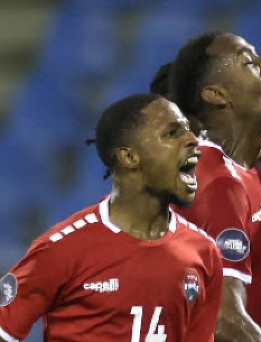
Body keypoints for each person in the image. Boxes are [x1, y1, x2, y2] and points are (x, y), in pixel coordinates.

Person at [0, 94, 223, 342]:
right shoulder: (61, 249)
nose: (193, 140)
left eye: (190, 131)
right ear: (129, 158)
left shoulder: (205, 253)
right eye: (172, 133)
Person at [161, 31, 261, 341]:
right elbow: (223, 321)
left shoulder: (236, 165)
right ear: (217, 94)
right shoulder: (217, 183)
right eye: (249, 62)